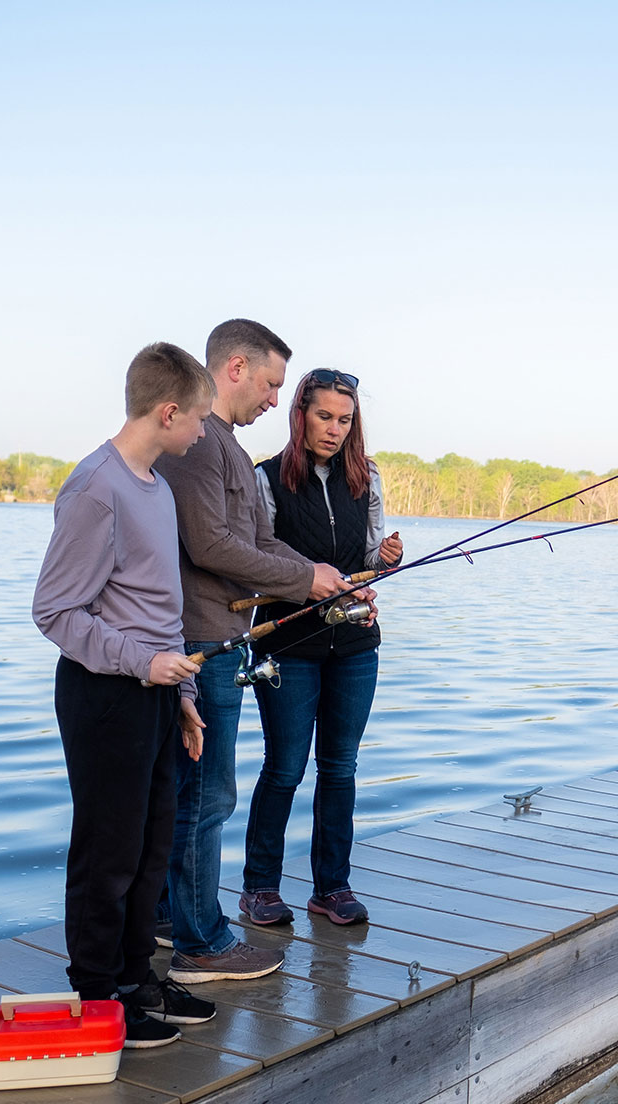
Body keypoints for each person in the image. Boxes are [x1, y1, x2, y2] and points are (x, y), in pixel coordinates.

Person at [155, 320, 369, 977]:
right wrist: (305, 578)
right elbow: (211, 546)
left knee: (198, 791)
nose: (276, 400)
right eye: (274, 385)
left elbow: (254, 541)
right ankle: (202, 941)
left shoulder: (225, 449)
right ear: (237, 368)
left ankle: (173, 917)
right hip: (201, 639)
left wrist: (321, 577)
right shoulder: (201, 445)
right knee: (207, 795)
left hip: (222, 636)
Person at [31, 342, 220, 1048]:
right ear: (168, 412)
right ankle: (95, 993)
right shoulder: (95, 487)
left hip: (155, 697)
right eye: (198, 418)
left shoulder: (156, 487)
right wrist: (144, 665)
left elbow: (158, 611)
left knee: (151, 847)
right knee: (107, 852)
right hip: (103, 695)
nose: (202, 431)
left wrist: (184, 697)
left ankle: (137, 975)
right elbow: (54, 612)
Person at [243, 368, 402, 927]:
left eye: (346, 419)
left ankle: (331, 888)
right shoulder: (267, 480)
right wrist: (304, 578)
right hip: (286, 643)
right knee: (285, 768)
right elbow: (254, 562)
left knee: (340, 768)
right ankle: (260, 887)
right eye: (324, 416)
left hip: (356, 644)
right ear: (301, 414)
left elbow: (367, 557)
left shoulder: (368, 479)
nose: (335, 429)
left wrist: (384, 562)